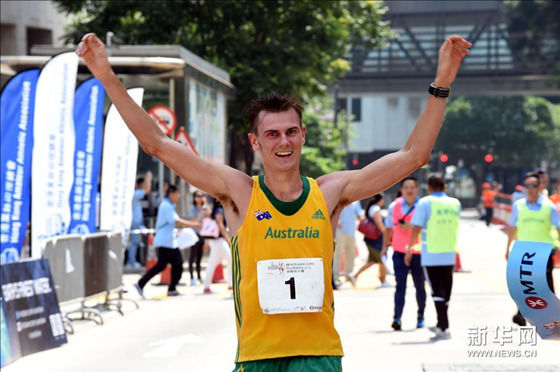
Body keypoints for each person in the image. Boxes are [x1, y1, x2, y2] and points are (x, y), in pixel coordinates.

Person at [77, 32, 471, 371]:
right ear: (255, 141)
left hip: (317, 356)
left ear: (302, 136)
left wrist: (442, 83)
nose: (283, 141)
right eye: (272, 134)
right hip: (257, 357)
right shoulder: (237, 192)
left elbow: (412, 157)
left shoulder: (330, 193)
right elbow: (157, 144)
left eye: (291, 132)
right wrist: (107, 76)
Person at [405, 174, 461, 340]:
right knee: (446, 290)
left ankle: (443, 326)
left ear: (429, 188)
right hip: (449, 251)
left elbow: (416, 226)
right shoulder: (455, 203)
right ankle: (442, 324)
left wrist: (409, 247)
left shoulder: (425, 202)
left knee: (437, 290)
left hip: (431, 252)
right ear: (444, 187)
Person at [505, 172, 560, 326]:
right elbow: (512, 228)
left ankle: (553, 316)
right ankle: (521, 314)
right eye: (527, 186)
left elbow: (558, 227)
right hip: (523, 252)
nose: (530, 189)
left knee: (545, 285)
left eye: (533, 186)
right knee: (523, 285)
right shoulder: (519, 205)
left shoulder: (549, 206)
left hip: (544, 250)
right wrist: (507, 248)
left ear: (539, 186)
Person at [134, 185, 200, 297]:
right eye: (177, 193)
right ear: (171, 194)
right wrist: (193, 224)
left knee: (176, 264)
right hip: (165, 242)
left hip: (170, 242)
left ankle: (171, 288)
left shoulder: (169, 205)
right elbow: (176, 221)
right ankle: (141, 283)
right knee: (163, 265)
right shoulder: (166, 206)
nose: (179, 196)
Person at [382, 177, 425, 331]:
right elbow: (388, 228)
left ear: (417, 188)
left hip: (418, 252)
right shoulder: (394, 206)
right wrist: (384, 247)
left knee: (420, 286)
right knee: (400, 286)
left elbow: (425, 226)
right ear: (401, 189)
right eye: (406, 187)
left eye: (412, 187)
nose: (409, 190)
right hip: (399, 251)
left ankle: (421, 315)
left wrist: (412, 227)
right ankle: (397, 318)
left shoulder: (422, 206)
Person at [352, 194, 389, 287]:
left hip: (370, 239)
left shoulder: (371, 208)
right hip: (376, 239)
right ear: (380, 200)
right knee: (382, 259)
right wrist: (386, 233)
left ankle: (356, 275)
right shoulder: (376, 209)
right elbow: (379, 224)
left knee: (373, 260)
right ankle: (383, 280)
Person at [203, 200, 233, 294]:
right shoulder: (219, 210)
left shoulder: (215, 211)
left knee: (213, 263)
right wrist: (228, 240)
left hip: (215, 241)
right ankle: (231, 284)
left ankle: (206, 286)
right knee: (230, 259)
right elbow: (220, 225)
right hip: (219, 241)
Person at [333, 200, 363, 288]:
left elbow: (359, 214)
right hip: (340, 231)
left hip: (351, 231)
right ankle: (335, 277)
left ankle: (348, 276)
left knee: (351, 254)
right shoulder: (340, 199)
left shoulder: (356, 201)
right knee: (337, 254)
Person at [127, 170, 152, 268]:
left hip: (135, 222)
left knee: (134, 242)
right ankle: (131, 261)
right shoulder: (133, 194)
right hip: (134, 222)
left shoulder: (133, 194)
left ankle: (131, 260)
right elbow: (147, 190)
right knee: (133, 242)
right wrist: (148, 177)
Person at [188, 191, 211, 286]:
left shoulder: (204, 207)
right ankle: (192, 277)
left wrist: (206, 204)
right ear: (194, 197)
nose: (200, 198)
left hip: (203, 234)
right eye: (198, 196)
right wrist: (201, 213)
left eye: (202, 196)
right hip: (194, 234)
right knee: (192, 256)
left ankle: (199, 276)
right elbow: (193, 221)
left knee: (199, 257)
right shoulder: (192, 208)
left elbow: (210, 216)